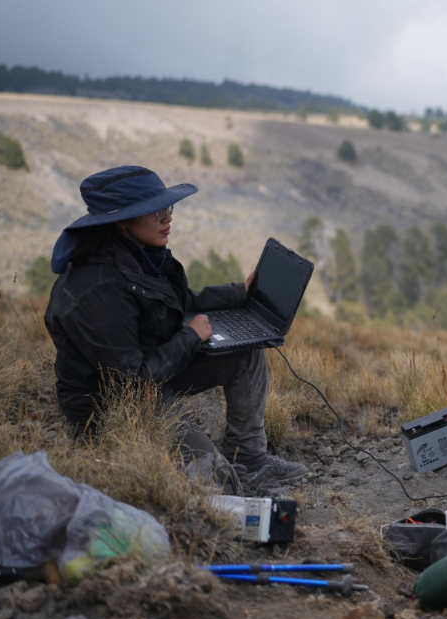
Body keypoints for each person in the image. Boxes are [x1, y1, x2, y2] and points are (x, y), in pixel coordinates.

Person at [44, 165, 306, 493]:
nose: (167, 218)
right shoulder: (97, 289)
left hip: (150, 378)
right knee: (216, 481)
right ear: (122, 220)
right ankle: (237, 479)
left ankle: (250, 457)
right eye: (155, 212)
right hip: (112, 403)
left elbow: (179, 303)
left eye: (167, 208)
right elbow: (131, 380)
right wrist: (190, 337)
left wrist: (239, 293)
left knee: (245, 354)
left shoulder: (139, 256)